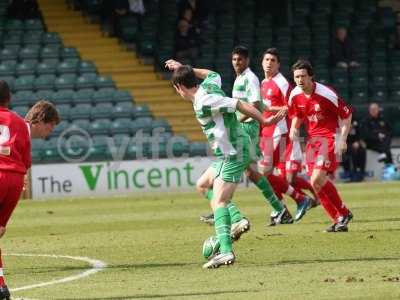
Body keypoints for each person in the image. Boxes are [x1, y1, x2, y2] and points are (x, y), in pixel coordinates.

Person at [165, 59, 286, 268]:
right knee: (204, 185)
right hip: (229, 152)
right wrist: (186, 69)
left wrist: (264, 121)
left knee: (220, 201)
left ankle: (226, 250)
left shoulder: (205, 99)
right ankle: (235, 223)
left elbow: (239, 104)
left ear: (179, 87)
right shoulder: (209, 85)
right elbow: (212, 73)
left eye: (177, 89)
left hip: (234, 152)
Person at [199, 46, 293, 227]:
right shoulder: (240, 78)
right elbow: (259, 105)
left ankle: (221, 208)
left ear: (247, 61)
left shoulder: (249, 78)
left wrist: (235, 121)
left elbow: (255, 105)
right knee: (251, 172)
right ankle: (280, 209)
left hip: (247, 129)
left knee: (229, 167)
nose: (236, 63)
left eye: (240, 60)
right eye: (234, 59)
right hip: (245, 128)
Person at [0, 82, 60, 300]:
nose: (51, 131)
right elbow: (25, 162)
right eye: (51, 126)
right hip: (12, 180)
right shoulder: (17, 123)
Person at [289, 59, 353, 232]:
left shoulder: (327, 94)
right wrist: (294, 128)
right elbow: (297, 114)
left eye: (303, 76)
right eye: (296, 77)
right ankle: (340, 216)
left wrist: (343, 138)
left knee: (317, 179)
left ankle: (343, 214)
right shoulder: (295, 94)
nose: (300, 80)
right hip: (312, 142)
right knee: (315, 183)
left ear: (311, 77)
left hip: (329, 138)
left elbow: (346, 115)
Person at [259, 48, 319, 223]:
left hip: (279, 131)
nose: (269, 63)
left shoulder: (282, 83)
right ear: (262, 62)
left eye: (272, 60)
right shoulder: (263, 82)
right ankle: (281, 210)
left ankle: (300, 199)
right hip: (265, 133)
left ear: (278, 64)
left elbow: (291, 107)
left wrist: (270, 110)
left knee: (265, 173)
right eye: (266, 60)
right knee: (268, 175)